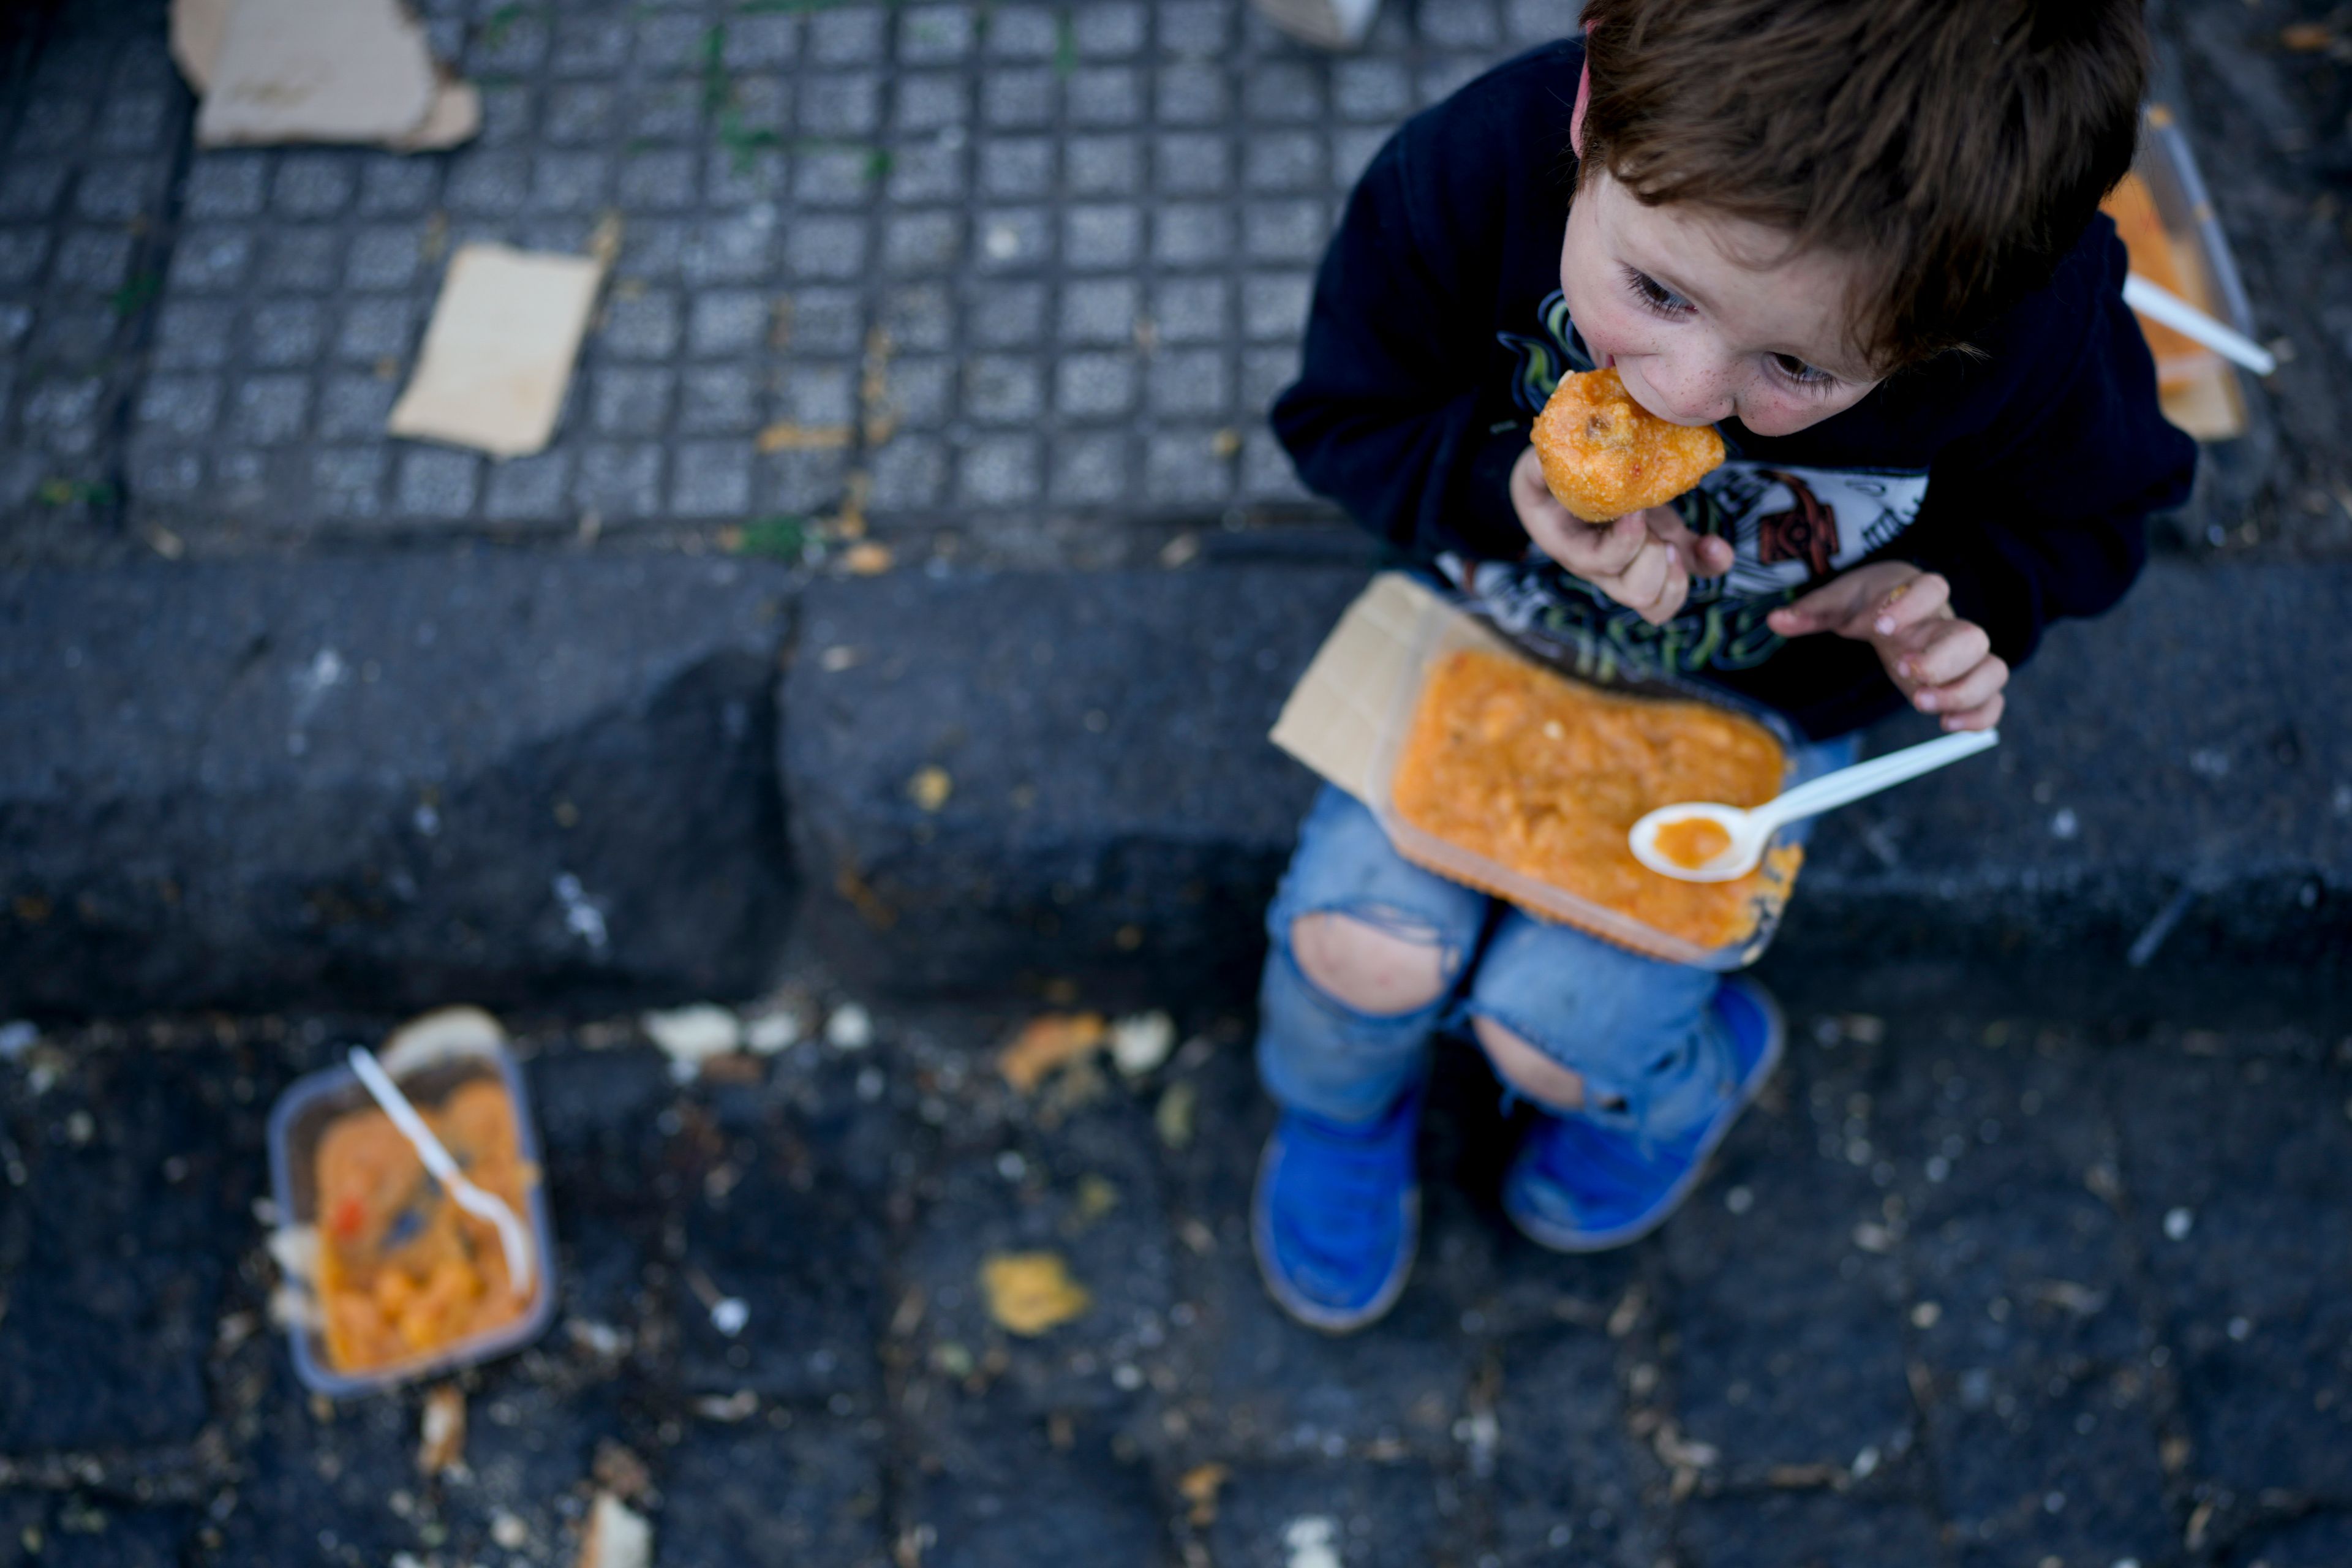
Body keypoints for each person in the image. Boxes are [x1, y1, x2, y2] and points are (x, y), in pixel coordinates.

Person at [1253, 0, 2196, 1332]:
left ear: (1945, 332)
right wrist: (1500, 486)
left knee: (1554, 1034)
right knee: (1356, 954)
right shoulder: (1466, 176)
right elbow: (1339, 419)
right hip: (1482, 624)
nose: (1688, 392)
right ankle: (1342, 1115)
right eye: (1655, 291)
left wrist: (1958, 598)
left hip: (1760, 705)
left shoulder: (2028, 323)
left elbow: (2101, 515)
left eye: (1798, 366)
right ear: (1593, 120)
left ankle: (1682, 1083)